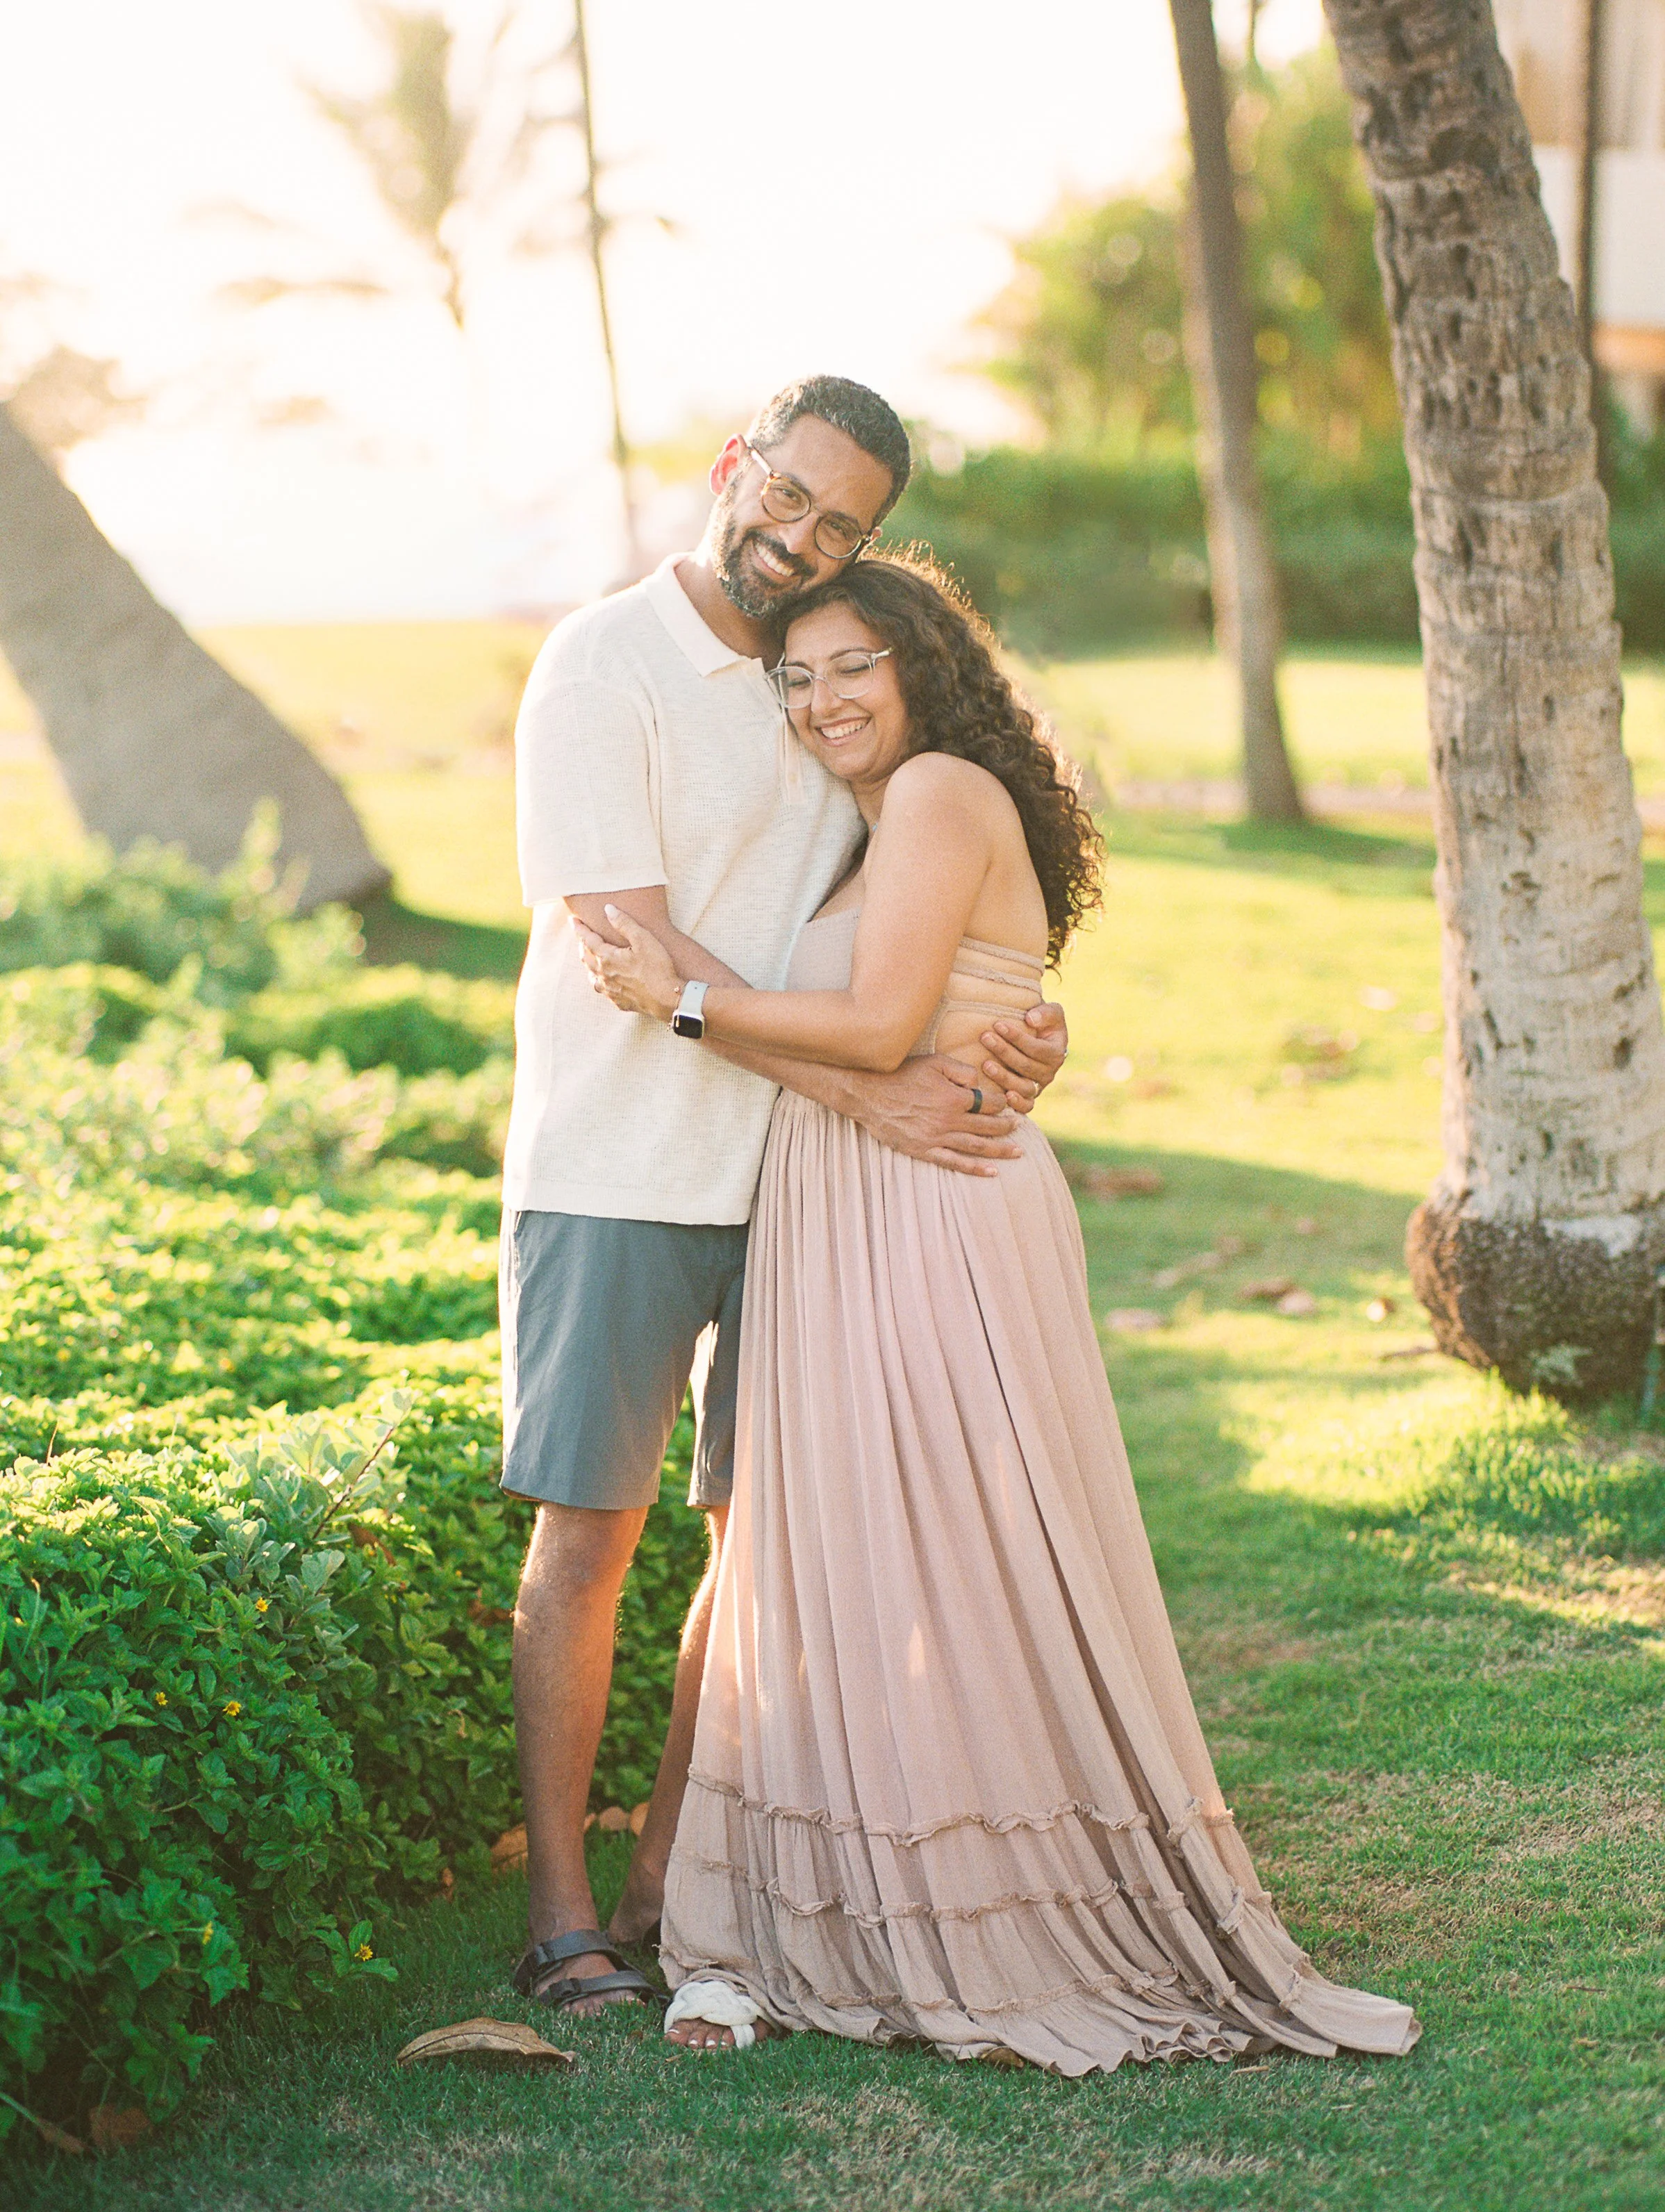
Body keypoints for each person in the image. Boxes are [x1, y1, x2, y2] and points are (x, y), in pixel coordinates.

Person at [577, 553, 1421, 2073]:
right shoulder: (890, 809)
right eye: (798, 675)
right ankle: (849, 1887)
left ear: (922, 667)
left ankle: (974, 1904)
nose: (825, 698)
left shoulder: (938, 792)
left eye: (854, 667)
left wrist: (679, 998)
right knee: (869, 1549)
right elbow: (935, 1005)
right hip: (869, 1195)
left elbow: (884, 1024)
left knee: (951, 1550)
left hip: (931, 1206)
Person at [500, 377, 1069, 2018]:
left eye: (841, 525)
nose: (801, 537)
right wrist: (871, 1082)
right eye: (792, 494)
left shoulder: (828, 679)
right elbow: (633, 945)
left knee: (758, 1545)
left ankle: (673, 1879)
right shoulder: (602, 664)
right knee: (588, 1531)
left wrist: (1009, 1018)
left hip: (801, 1195)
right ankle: (557, 1914)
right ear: (735, 458)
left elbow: (926, 902)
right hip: (618, 1160)